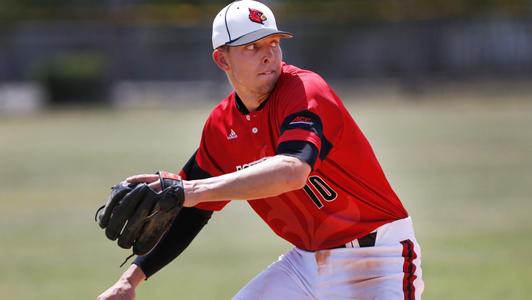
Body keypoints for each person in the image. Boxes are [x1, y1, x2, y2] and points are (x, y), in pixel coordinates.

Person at [97, 1, 424, 299]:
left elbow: (293, 171)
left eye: (273, 43)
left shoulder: (304, 91)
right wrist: (132, 279)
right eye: (252, 47)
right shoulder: (221, 127)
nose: (268, 54)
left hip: (376, 259)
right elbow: (191, 211)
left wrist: (190, 189)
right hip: (305, 264)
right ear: (222, 59)